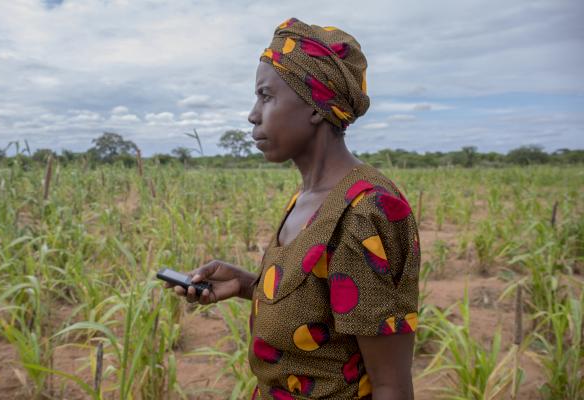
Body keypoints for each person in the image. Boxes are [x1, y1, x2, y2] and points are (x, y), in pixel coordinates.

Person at [164, 17, 420, 400]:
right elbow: (326, 310)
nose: (253, 114)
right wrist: (246, 284)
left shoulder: (367, 212)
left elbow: (391, 385)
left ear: (316, 106)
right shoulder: (308, 198)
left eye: (266, 96)